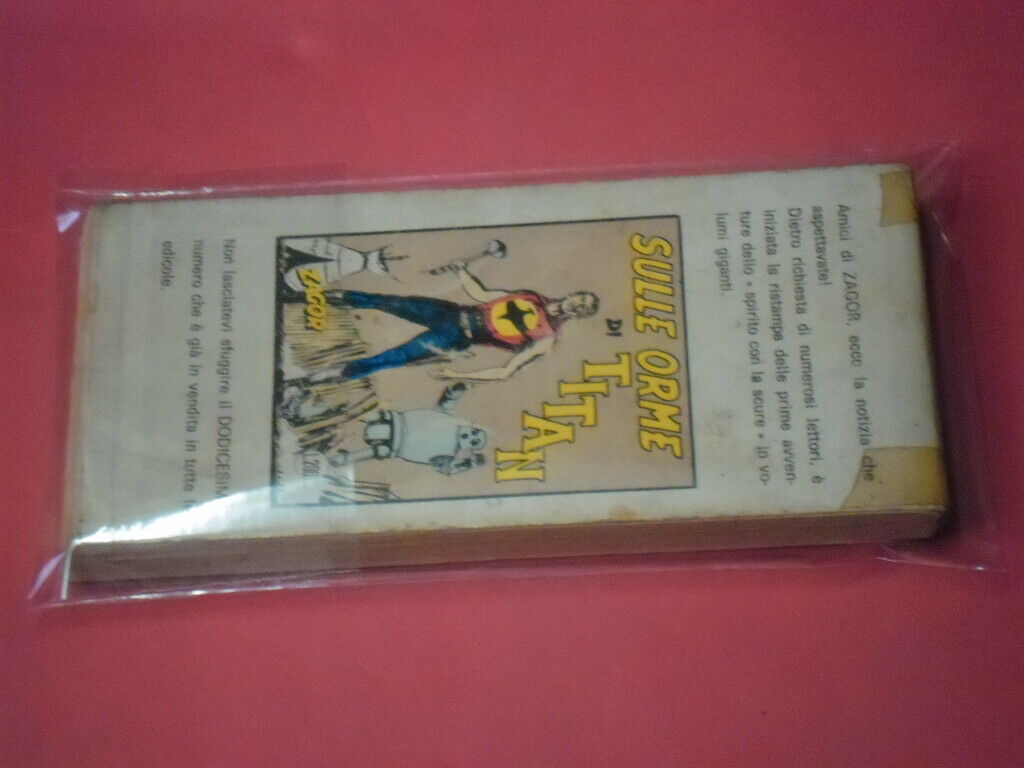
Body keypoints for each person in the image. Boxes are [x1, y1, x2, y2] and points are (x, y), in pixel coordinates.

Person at [280, 251, 598, 420]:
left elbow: (505, 372)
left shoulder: (547, 339)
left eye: (583, 308)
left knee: (386, 360)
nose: (578, 304)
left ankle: (303, 383)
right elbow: (483, 294)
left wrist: (458, 375)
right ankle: (302, 296)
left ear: (580, 315)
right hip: (450, 311)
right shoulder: (531, 296)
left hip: (454, 339)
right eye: (581, 298)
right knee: (382, 301)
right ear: (574, 295)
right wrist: (463, 272)